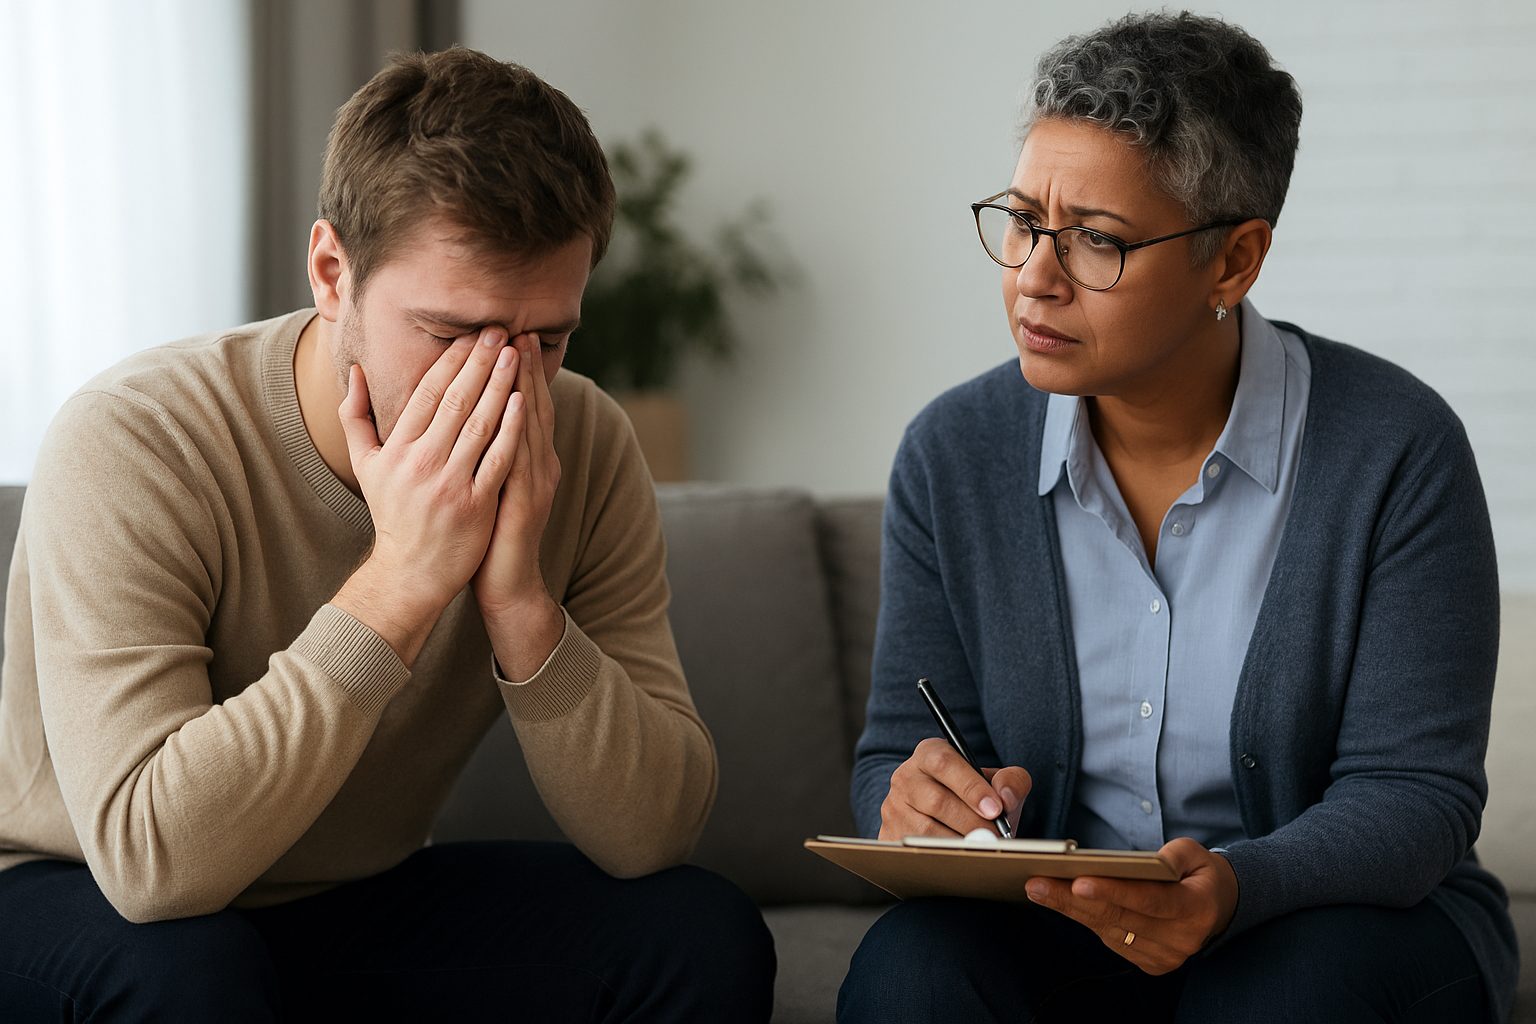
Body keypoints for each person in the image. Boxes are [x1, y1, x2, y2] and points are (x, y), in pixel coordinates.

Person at [0, 47, 774, 1021]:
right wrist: (402, 578)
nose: (505, 388)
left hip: (351, 895)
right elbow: (151, 863)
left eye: (549, 339)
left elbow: (652, 832)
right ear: (333, 271)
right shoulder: (137, 437)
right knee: (190, 973)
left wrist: (521, 603)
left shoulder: (583, 441)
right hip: (73, 888)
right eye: (453, 335)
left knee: (697, 932)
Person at [840, 12, 1516, 1023]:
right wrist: (915, 798)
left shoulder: (1396, 448)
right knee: (910, 972)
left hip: (1323, 925)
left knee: (1294, 997)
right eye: (1023, 221)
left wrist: (1237, 889)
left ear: (1234, 261)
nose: (1033, 274)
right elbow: (897, 747)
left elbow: (1417, 795)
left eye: (1097, 242)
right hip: (1055, 920)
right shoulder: (953, 451)